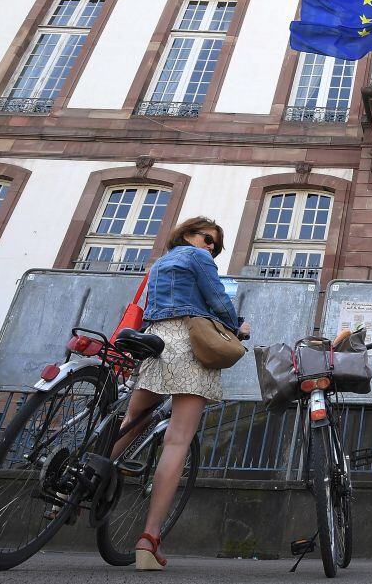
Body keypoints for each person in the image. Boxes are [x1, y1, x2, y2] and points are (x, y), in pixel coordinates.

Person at [113, 217, 250, 571]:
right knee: (177, 441)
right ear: (187, 234)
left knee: (131, 422)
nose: (210, 248)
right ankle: (149, 538)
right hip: (188, 343)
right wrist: (238, 328)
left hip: (156, 340)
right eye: (207, 239)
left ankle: (84, 478)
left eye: (215, 246)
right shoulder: (196, 258)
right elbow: (218, 301)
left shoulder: (159, 263)